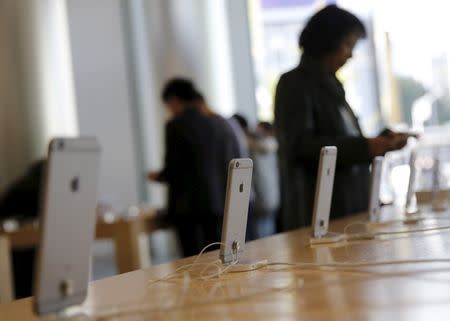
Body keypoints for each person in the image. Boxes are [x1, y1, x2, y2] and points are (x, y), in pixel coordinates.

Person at [274, 5, 409, 231]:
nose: (350, 54)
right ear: (328, 41)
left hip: (348, 209)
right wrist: (365, 146)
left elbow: (341, 141)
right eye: (348, 44)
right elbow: (299, 147)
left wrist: (379, 143)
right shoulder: (295, 84)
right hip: (320, 214)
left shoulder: (331, 85)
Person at [148, 78, 240, 257]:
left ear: (174, 100)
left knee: (193, 261)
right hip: (216, 202)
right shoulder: (214, 123)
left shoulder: (175, 125)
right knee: (215, 258)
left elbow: (174, 169)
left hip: (187, 208)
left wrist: (157, 176)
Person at [249, 122, 280, 238]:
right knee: (269, 228)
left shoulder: (254, 147)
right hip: (273, 194)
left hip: (260, 195)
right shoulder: (274, 145)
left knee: (260, 232)